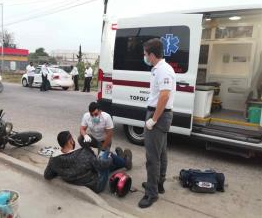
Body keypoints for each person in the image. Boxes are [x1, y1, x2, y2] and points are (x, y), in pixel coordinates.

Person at [138, 38, 176, 208]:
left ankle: (151, 194)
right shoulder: (157, 69)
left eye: (146, 54)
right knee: (161, 153)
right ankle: (158, 184)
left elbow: (164, 96)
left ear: (152, 55)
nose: (144, 57)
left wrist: (153, 119)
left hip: (158, 115)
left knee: (152, 157)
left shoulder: (163, 70)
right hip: (159, 113)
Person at [44, 130, 132, 193]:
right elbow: (103, 165)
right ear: (70, 140)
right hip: (98, 184)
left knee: (98, 160)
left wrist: (60, 170)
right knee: (105, 151)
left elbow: (47, 175)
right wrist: (110, 158)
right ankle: (124, 162)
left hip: (89, 175)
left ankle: (120, 159)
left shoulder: (53, 160)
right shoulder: (84, 154)